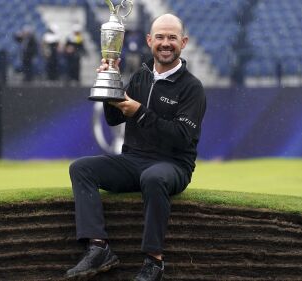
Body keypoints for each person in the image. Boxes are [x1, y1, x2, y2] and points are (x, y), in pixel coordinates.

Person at [66, 14, 206, 281]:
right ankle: (98, 248)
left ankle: (154, 262)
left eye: (172, 38)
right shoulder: (141, 77)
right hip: (133, 160)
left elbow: (182, 137)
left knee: (153, 177)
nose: (166, 43)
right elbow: (113, 118)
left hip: (173, 165)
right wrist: (112, 83)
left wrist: (140, 112)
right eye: (161, 37)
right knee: (81, 168)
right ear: (149, 40)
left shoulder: (192, 88)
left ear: (184, 42)